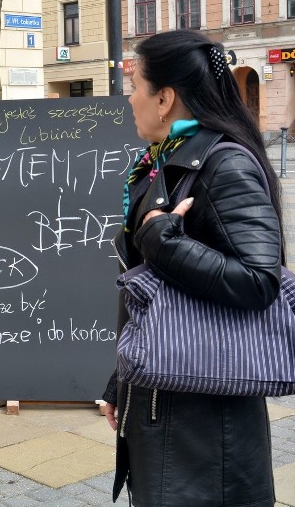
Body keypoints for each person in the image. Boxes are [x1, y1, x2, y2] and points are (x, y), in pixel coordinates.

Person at [100, 29, 283, 507]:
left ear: (164, 98)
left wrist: (163, 241)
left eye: (135, 87)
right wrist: (124, 375)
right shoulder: (163, 161)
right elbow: (152, 289)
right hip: (165, 394)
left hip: (206, 415)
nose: (130, 99)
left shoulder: (223, 165)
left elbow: (260, 280)